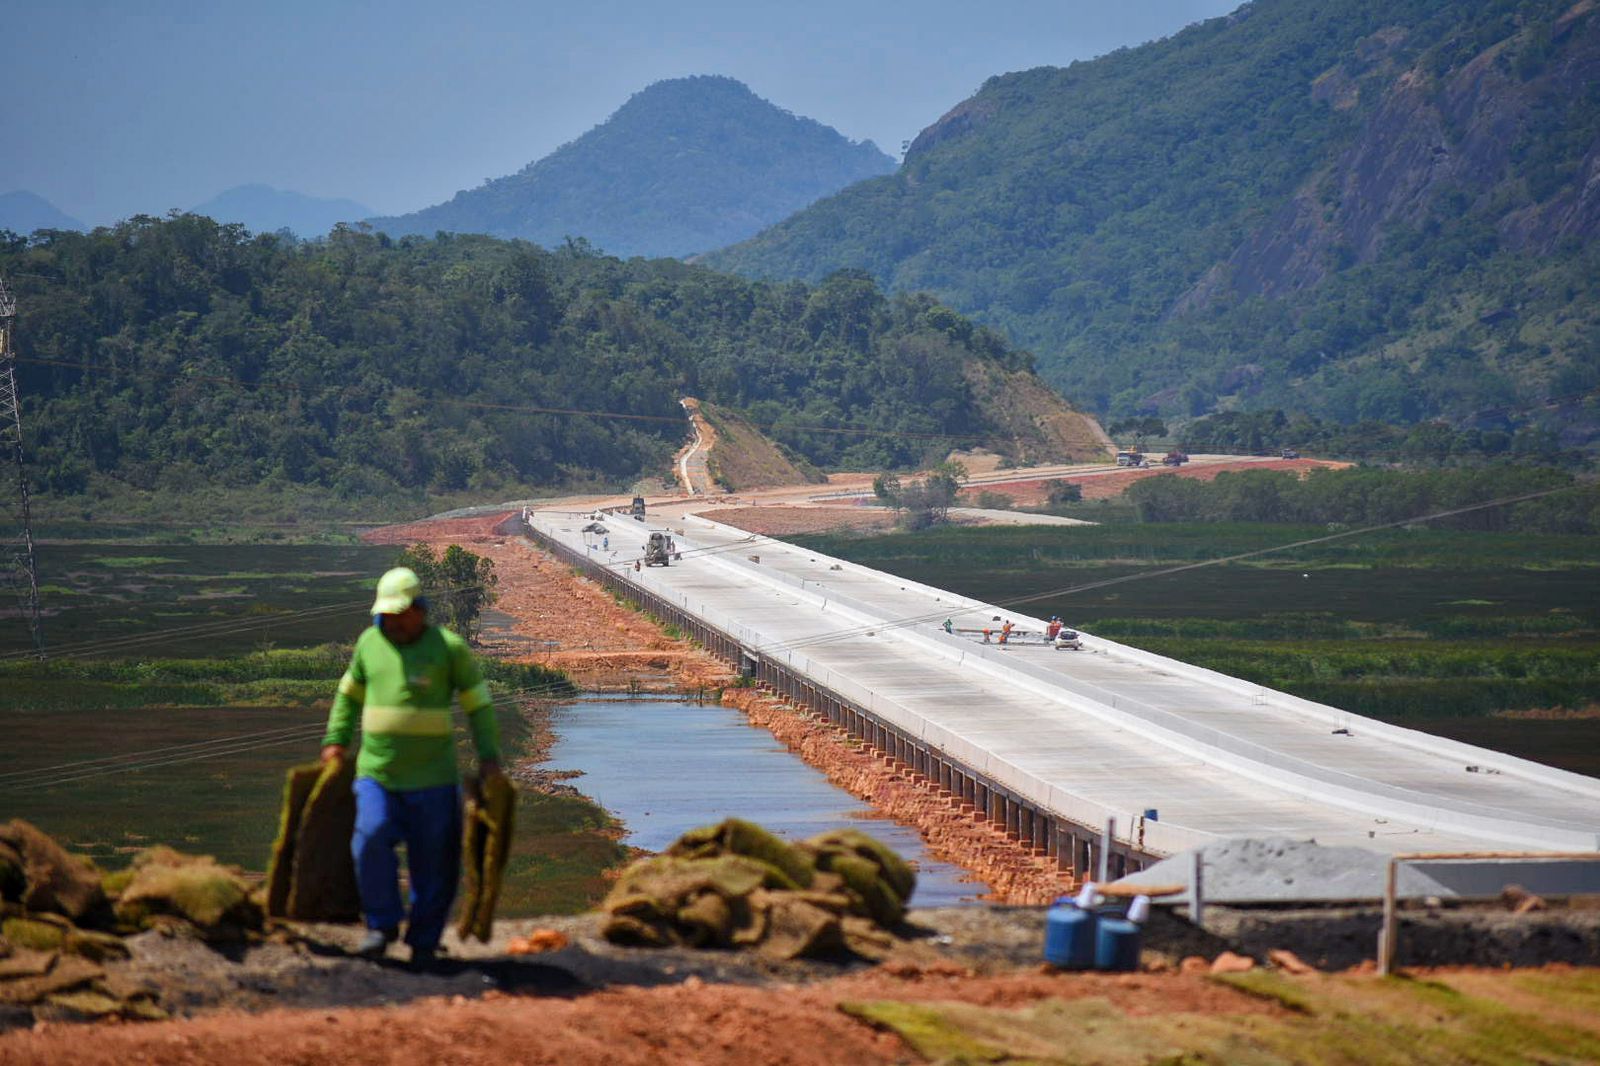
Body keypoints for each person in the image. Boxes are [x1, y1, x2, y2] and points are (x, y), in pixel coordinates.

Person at [321, 566, 502, 967]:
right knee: (369, 839)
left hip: (434, 779)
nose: (393, 623)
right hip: (377, 775)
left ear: (420, 609)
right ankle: (381, 924)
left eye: (399, 614)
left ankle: (424, 938)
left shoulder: (448, 648)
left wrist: (489, 757)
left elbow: (479, 706)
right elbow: (348, 697)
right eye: (386, 616)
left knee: (434, 860)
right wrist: (336, 740)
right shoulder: (369, 644)